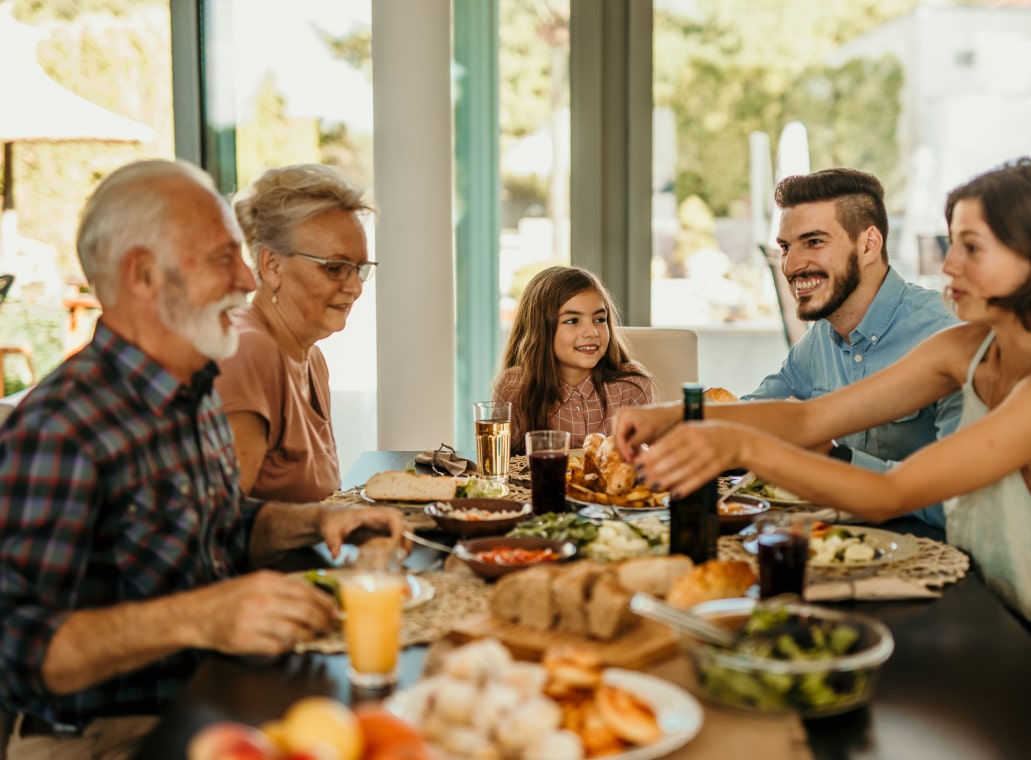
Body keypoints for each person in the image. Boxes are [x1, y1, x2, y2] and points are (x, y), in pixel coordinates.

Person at [617, 158, 1031, 734]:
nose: (947, 265)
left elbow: (887, 493)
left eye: (971, 247)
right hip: (998, 620)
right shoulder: (967, 347)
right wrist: (674, 414)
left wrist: (735, 443)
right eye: (951, 244)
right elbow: (812, 417)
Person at [0, 159, 406, 759]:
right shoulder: (60, 427)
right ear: (142, 275)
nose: (247, 276)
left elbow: (217, 527)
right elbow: (18, 649)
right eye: (223, 258)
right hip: (109, 736)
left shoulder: (188, 391)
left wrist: (315, 520)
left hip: (207, 698)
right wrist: (199, 617)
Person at [743, 168, 961, 529]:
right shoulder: (818, 340)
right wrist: (682, 419)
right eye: (785, 247)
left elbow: (961, 504)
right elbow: (756, 412)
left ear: (869, 244)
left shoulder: (946, 334)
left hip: (937, 563)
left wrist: (835, 458)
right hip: (838, 546)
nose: (791, 265)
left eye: (814, 242)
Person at [215, 164, 375, 502]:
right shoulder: (249, 350)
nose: (355, 288)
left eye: (359, 270)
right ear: (272, 265)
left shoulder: (313, 359)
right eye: (335, 268)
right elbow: (220, 521)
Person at [493, 265, 656, 452]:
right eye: (572, 321)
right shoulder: (514, 386)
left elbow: (647, 464)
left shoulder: (631, 385)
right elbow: (502, 467)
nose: (592, 332)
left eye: (600, 319)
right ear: (541, 330)